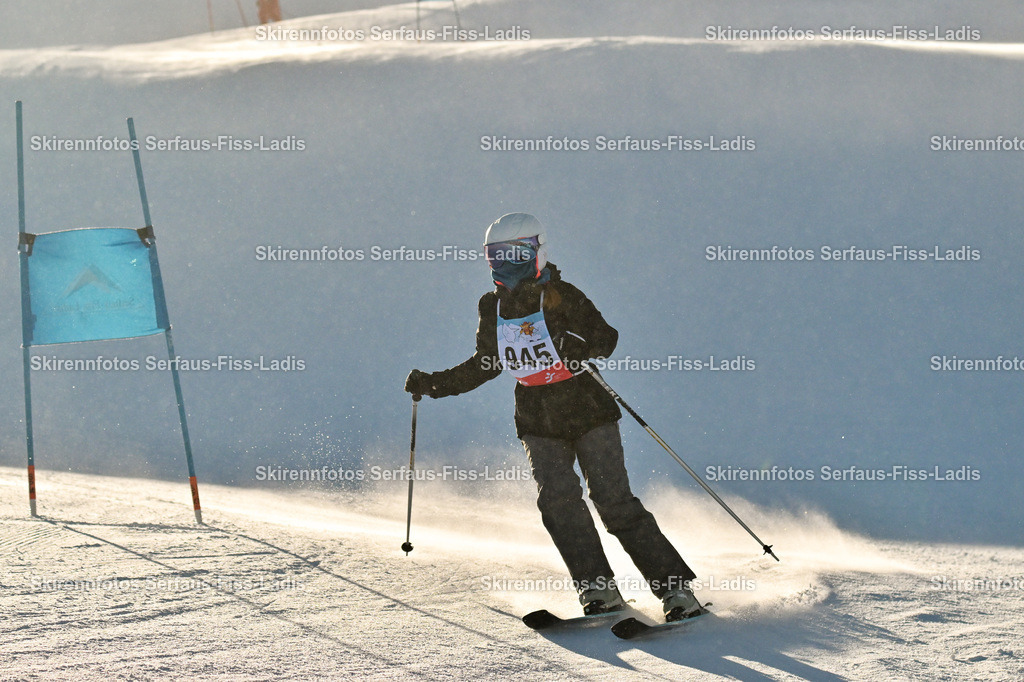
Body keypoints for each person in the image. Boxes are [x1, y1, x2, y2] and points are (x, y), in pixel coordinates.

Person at [404, 213, 702, 620]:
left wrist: (576, 343)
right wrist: (433, 383)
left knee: (613, 501)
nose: (508, 264)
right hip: (538, 421)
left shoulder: (564, 294)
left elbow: (605, 338)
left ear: (538, 252)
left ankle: (676, 593)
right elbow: (487, 363)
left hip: (588, 412)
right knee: (558, 503)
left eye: (517, 254)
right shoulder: (492, 306)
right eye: (498, 255)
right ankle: (598, 588)